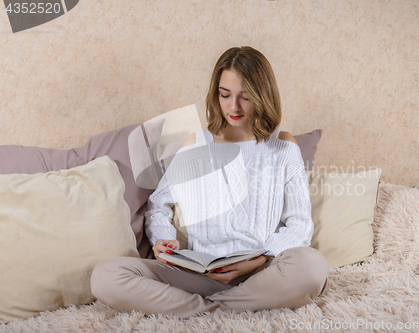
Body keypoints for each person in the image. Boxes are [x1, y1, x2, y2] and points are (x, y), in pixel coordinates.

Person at [91, 46, 329, 318]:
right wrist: (164, 240)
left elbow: (300, 224)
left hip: (262, 274)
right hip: (199, 273)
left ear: (263, 96)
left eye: (245, 97)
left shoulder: (283, 146)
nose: (233, 107)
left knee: (312, 266)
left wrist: (260, 259)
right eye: (224, 94)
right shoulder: (197, 144)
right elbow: (158, 206)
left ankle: (207, 310)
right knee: (106, 275)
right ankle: (222, 308)